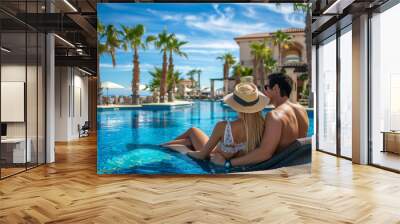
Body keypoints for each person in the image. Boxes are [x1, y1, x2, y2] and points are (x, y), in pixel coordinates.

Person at [211, 73, 309, 168]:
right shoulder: (301, 110)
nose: (264, 91)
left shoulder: (275, 115)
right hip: (294, 164)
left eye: (266, 87)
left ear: (276, 88)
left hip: (277, 167)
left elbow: (264, 153)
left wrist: (227, 163)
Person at [162, 82, 269, 163]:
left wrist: (185, 151)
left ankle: (161, 146)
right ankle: (187, 142)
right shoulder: (262, 124)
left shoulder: (224, 127)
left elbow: (201, 156)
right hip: (229, 157)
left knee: (191, 131)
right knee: (191, 137)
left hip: (211, 156)